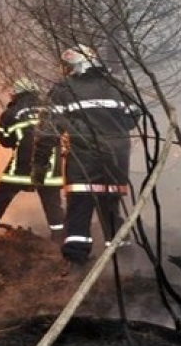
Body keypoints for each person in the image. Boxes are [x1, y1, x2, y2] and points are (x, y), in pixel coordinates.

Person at [32, 45, 141, 275]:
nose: (66, 70)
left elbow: (49, 128)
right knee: (110, 207)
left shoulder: (65, 89)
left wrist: (40, 164)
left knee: (80, 208)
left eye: (68, 66)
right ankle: (125, 262)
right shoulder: (116, 85)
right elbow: (133, 118)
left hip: (84, 158)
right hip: (117, 158)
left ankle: (75, 263)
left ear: (77, 65)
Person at [0, 77, 65, 245]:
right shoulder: (52, 109)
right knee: (54, 209)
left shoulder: (12, 112)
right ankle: (60, 243)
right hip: (50, 169)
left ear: (16, 94)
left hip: (21, 169)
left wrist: (18, 139)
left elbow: (5, 140)